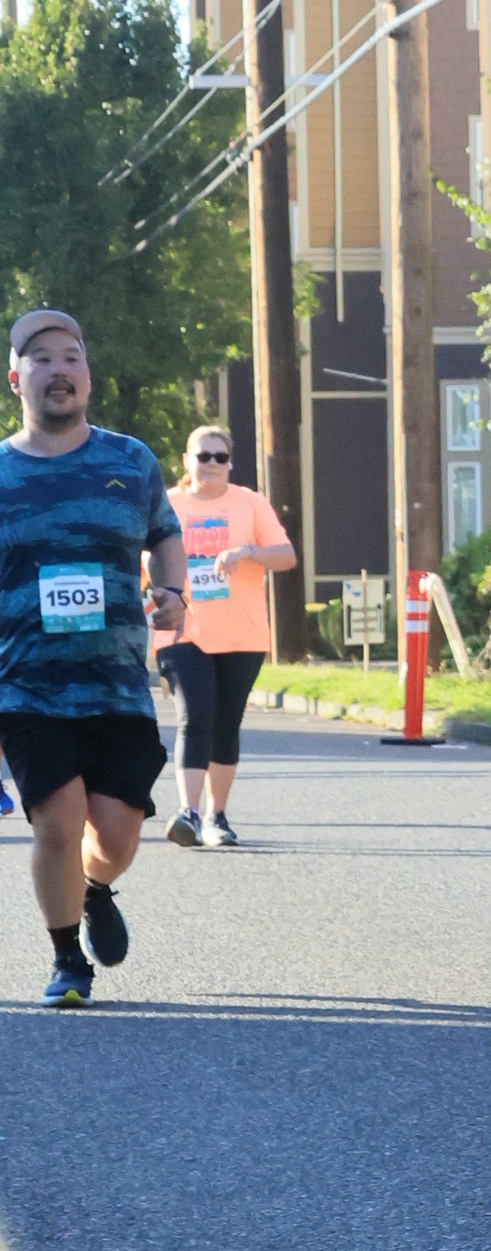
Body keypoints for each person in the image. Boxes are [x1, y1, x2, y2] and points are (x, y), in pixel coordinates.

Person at [0, 309, 184, 1007]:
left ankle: (97, 887)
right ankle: (65, 959)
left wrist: (172, 593)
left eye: (71, 356)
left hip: (115, 683)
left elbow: (165, 534)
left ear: (87, 374)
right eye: (42, 358)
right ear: (16, 379)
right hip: (27, 683)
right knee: (57, 822)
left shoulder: (130, 461)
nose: (59, 370)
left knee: (116, 832)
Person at [159, 421, 296, 844]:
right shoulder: (167, 504)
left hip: (242, 634)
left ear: (230, 464)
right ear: (187, 461)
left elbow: (286, 556)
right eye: (203, 456)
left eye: (220, 457)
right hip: (182, 631)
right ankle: (188, 812)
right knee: (195, 714)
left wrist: (249, 552)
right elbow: (144, 556)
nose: (212, 464)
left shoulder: (249, 503)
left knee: (226, 722)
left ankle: (215, 817)